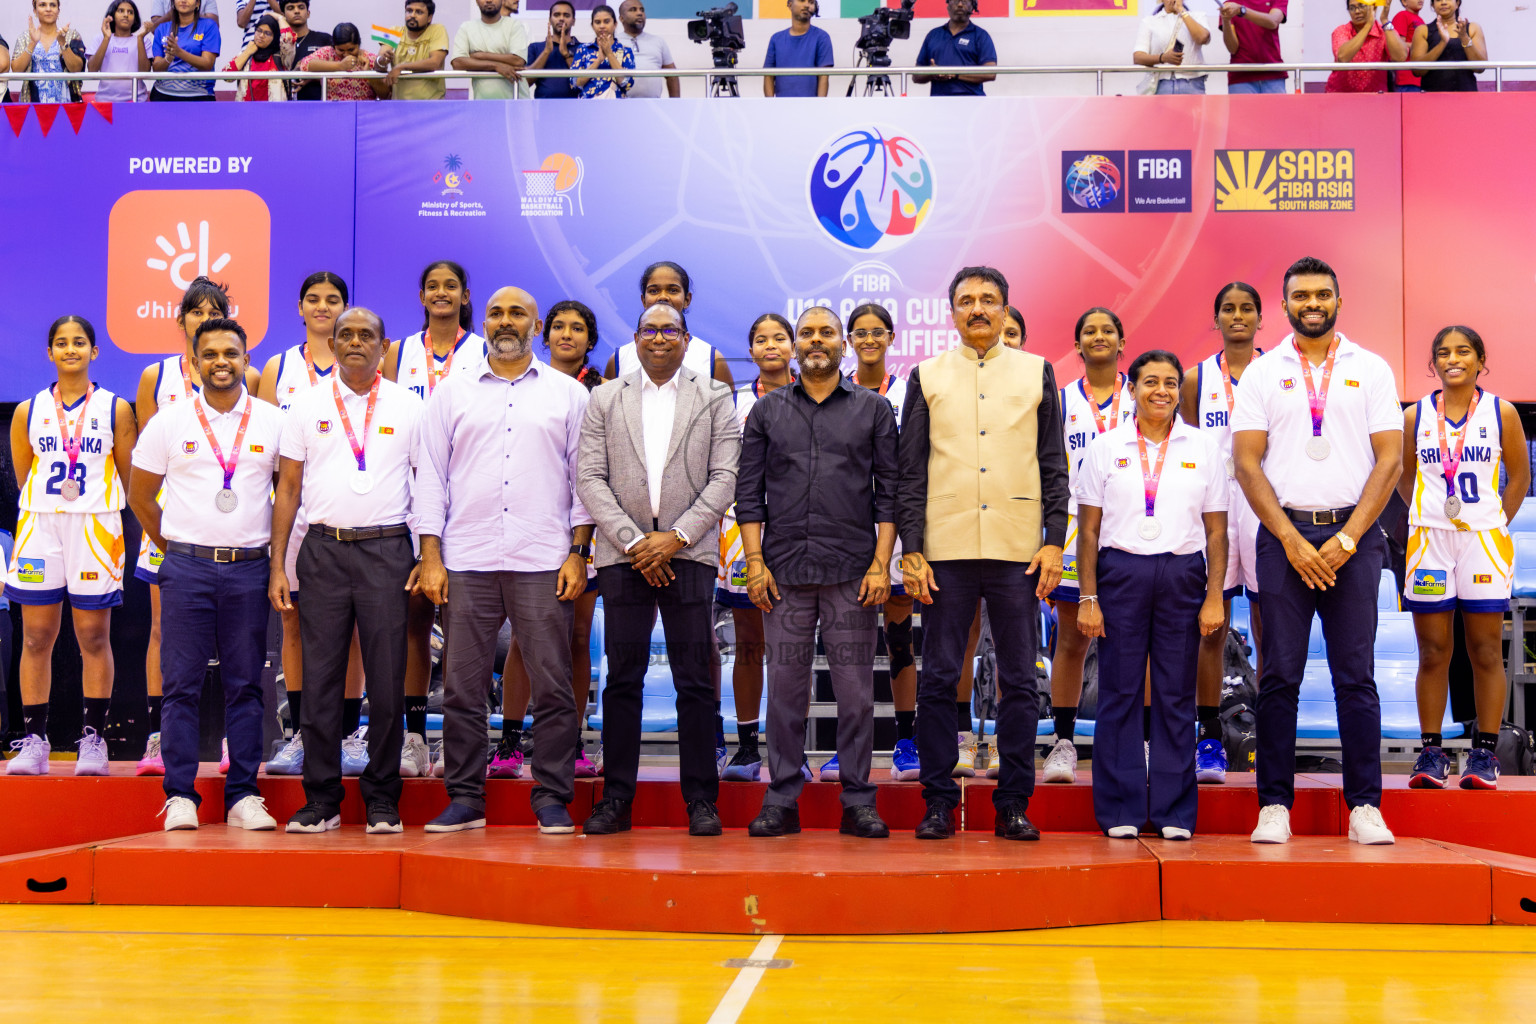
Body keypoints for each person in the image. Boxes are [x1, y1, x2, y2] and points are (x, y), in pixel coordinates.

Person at [1231, 255, 1403, 846]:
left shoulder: (1371, 368)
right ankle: (1274, 804)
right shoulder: (1262, 372)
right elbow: (1247, 464)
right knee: (1279, 677)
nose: (1312, 303)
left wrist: (1349, 537)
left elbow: (1390, 461)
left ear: (1338, 300)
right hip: (1284, 542)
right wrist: (1291, 540)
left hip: (1354, 541)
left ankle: (1365, 807)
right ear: (1284, 305)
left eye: (1322, 294)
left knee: (1356, 677)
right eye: (1301, 295)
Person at [413, 286, 594, 836]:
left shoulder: (568, 395)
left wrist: (578, 552)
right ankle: (466, 799)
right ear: (483, 322)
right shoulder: (449, 394)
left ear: (536, 325)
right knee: (463, 689)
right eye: (496, 313)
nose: (506, 321)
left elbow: (583, 480)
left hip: (543, 556)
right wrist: (431, 557)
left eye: (518, 312)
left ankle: (553, 798)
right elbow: (429, 478)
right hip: (466, 558)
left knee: (555, 685)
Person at [898, 266, 1069, 842]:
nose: (978, 309)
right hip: (944, 546)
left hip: (1019, 547)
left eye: (988, 301)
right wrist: (912, 550)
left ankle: (1013, 803)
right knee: (940, 677)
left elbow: (1053, 466)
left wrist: (1053, 541)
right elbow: (909, 471)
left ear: (1004, 310)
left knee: (1021, 679)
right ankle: (939, 801)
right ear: (951, 312)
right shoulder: (925, 375)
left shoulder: (1036, 371)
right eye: (966, 301)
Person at [576, 303, 739, 837]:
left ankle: (701, 801)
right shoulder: (605, 396)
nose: (660, 337)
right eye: (650, 328)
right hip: (624, 558)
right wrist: (634, 541)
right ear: (636, 337)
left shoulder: (714, 396)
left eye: (671, 329)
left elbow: (724, 477)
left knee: (695, 680)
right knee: (622, 679)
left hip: (688, 554)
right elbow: (591, 477)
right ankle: (617, 797)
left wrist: (675, 537)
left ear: (687, 338)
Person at [736, 307, 895, 839]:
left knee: (854, 694)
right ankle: (781, 798)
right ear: (796, 344)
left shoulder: (873, 410)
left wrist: (881, 564)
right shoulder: (767, 412)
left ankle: (858, 801)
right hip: (783, 572)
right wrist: (754, 564)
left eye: (827, 332)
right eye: (808, 333)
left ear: (843, 344)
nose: (816, 340)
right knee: (784, 692)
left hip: (853, 572)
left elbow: (889, 495)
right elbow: (748, 495)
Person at [128, 317, 285, 833]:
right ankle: (179, 795)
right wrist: (172, 549)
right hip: (187, 568)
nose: (222, 362)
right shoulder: (169, 422)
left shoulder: (270, 420)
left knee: (246, 685)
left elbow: (288, 493)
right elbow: (138, 495)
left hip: (248, 568)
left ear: (246, 361)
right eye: (211, 353)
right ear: (195, 362)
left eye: (232, 353)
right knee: (181, 687)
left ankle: (243, 794)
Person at [271, 308, 423, 834]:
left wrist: (429, 554)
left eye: (367, 335)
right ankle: (322, 799)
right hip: (322, 550)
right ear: (331, 344)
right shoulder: (304, 405)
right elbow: (287, 490)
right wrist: (278, 566)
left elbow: (426, 484)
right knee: (320, 682)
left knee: (385, 681)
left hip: (387, 550)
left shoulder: (409, 406)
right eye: (346, 335)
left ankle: (382, 798)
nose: (356, 342)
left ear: (384, 347)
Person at [1076, 350, 1228, 840]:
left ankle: (1173, 812)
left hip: (1183, 573)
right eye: (1149, 382)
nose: (1160, 390)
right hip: (1120, 573)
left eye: (1169, 382)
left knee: (1174, 692)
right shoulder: (1105, 446)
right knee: (1119, 691)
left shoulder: (1203, 447)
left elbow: (1218, 533)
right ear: (1132, 389)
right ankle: (1119, 808)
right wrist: (1089, 595)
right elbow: (1088, 531)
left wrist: (1214, 596)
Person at [130, 277, 260, 777]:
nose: (205, 318)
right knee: (165, 634)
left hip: (235, 539)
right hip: (173, 529)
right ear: (181, 319)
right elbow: (143, 471)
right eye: (196, 311)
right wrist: (174, 543)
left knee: (239, 658)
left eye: (215, 310)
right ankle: (159, 740)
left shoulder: (244, 382)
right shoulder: (156, 377)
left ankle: (233, 744)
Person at [3, 317, 137, 777]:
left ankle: (93, 740)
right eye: (61, 343)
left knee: (93, 637)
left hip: (96, 526)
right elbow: (25, 476)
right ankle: (34, 741)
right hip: (41, 524)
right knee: (36, 635)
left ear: (94, 352)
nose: (70, 350)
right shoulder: (28, 410)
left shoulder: (115, 408)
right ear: (50, 353)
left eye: (79, 342)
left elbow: (129, 475)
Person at [1399, 327, 1528, 790]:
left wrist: (1494, 523)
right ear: (1433, 363)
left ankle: (1485, 753)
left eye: (1463, 351)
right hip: (1430, 541)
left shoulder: (1502, 412)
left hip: (1482, 541)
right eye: (1443, 353)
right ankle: (1431, 753)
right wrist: (1427, 514)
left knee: (1486, 650)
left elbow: (1518, 478)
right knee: (1433, 651)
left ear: (1480, 360)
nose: (1452, 359)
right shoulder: (1415, 415)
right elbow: (1405, 476)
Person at [258, 271, 368, 779]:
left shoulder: (361, 361)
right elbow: (261, 449)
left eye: (333, 300)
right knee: (293, 624)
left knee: (351, 634)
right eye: (314, 300)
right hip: (296, 506)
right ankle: (299, 733)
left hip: (351, 506)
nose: (323, 307)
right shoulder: (277, 367)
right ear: (299, 308)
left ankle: (348, 734)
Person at [493, 301, 606, 781]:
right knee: (523, 637)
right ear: (543, 333)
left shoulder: (600, 393)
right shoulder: (520, 387)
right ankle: (510, 743)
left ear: (590, 340)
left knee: (578, 637)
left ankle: (571, 741)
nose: (566, 334)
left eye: (577, 328)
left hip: (588, 530)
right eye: (558, 325)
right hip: (534, 530)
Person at [383, 259, 485, 778]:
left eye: (451, 286)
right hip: (405, 500)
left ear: (466, 295)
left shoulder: (483, 351)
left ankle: (461, 742)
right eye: (432, 286)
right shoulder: (397, 352)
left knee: (465, 631)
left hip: (466, 500)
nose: (441, 293)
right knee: (414, 626)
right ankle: (416, 738)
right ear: (421, 295)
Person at [1042, 308, 1134, 786]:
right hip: (1079, 533)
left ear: (1123, 340)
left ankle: (1135, 741)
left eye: (1107, 330)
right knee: (1072, 639)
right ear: (1077, 345)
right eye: (1089, 331)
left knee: (1135, 639)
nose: (1098, 337)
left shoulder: (1143, 395)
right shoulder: (1060, 401)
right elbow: (1051, 473)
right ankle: (1062, 743)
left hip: (1136, 530)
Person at [1180, 281, 1266, 785]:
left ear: (1260, 317)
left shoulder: (1277, 373)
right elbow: (1188, 441)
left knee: (1266, 621)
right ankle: (1209, 736)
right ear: (1216, 319)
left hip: (1261, 502)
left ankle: (1271, 729)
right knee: (1211, 624)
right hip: (1212, 505)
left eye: (1247, 308)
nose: (1238, 316)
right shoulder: (1195, 380)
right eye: (1228, 309)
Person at [841, 303, 922, 783]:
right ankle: (851, 749)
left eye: (877, 332)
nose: (868, 339)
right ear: (849, 339)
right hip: (848, 527)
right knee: (850, 644)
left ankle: (906, 741)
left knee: (898, 638)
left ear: (891, 337)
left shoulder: (911, 391)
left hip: (894, 527)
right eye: (860, 333)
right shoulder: (836, 390)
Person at [718, 315, 796, 783]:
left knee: (791, 647)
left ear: (793, 348)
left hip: (797, 532)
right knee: (748, 641)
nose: (771, 345)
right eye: (760, 339)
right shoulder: (732, 404)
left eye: (779, 338)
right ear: (750, 352)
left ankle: (791, 750)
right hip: (740, 531)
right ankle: (747, 749)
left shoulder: (813, 396)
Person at [603, 262, 734, 387]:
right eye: (654, 291)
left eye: (673, 290)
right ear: (643, 300)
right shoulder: (619, 359)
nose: (663, 297)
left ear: (687, 299)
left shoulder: (711, 358)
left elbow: (724, 408)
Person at [913, 0, 996, 98]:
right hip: (938, 104)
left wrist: (954, 74)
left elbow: (990, 73)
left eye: (965, 1)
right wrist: (931, 73)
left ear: (972, 6)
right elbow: (916, 76)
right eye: (956, 1)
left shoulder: (981, 36)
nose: (960, 4)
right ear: (948, 6)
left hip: (973, 103)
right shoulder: (933, 35)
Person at [451, 0, 529, 100]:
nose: (489, 0)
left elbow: (518, 61)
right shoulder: (466, 28)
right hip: (484, 104)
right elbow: (458, 63)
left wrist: (481, 56)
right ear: (476, 1)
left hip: (516, 101)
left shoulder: (515, 25)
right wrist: (496, 66)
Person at [13, 0, 87, 103]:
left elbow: (76, 68)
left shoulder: (70, 35)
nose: (48, 9)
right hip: (32, 106)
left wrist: (62, 43)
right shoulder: (25, 37)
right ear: (35, 11)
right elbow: (16, 70)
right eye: (43, 5)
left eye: (52, 5)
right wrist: (32, 43)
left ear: (58, 11)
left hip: (66, 106)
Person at [1134, 0, 1212, 95]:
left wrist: (1181, 10)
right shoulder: (1149, 21)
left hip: (1192, 83)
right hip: (1161, 84)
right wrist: (1163, 58)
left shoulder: (1198, 16)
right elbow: (1138, 57)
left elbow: (1202, 38)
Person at [1327, 2, 1407, 93]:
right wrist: (1368, 26)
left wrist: (1385, 21)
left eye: (1361, 6)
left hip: (1375, 98)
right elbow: (1342, 57)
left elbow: (1400, 57)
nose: (1357, 11)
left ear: (1373, 8)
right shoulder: (1341, 31)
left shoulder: (1383, 31)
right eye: (1352, 8)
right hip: (1341, 96)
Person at [378, 0, 449, 100]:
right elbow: (379, 61)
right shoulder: (393, 30)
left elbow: (435, 63)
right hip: (400, 107)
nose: (412, 15)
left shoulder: (438, 29)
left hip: (432, 106)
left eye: (419, 12)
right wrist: (382, 60)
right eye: (409, 11)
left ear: (429, 18)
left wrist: (401, 67)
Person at [1409, 0, 1486, 92]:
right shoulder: (1422, 30)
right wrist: (1442, 43)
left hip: (1466, 96)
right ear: (1433, 5)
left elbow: (1480, 67)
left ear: (1457, 3)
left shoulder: (1472, 28)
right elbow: (1417, 71)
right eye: (1438, 0)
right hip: (1432, 98)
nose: (1443, 2)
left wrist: (1465, 38)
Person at [148, 0, 219, 101]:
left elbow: (207, 64)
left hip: (198, 96)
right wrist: (168, 59)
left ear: (198, 3)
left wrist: (179, 52)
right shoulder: (162, 28)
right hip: (162, 95)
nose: (184, 1)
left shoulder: (209, 26)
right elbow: (156, 69)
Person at [298, 22, 389, 99]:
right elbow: (305, 64)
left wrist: (369, 74)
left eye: (351, 50)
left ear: (358, 44)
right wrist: (340, 66)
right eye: (341, 50)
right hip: (334, 113)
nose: (346, 54)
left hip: (363, 114)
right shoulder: (328, 53)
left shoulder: (370, 59)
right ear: (334, 46)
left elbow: (385, 95)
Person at [763, 0, 833, 98]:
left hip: (810, 107)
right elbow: (768, 76)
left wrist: (819, 107)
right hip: (780, 108)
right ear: (789, 4)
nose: (807, 5)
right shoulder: (776, 39)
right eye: (802, 0)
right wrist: (770, 106)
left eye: (811, 2)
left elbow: (824, 76)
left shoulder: (822, 37)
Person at [1220, 0, 1288, 94]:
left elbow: (1273, 21)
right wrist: (1226, 20)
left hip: (1273, 74)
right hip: (1241, 77)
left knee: (1277, 109)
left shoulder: (1236, 7)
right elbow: (1232, 48)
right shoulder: (1230, 5)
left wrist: (1242, 10)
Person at [89, 1, 151, 103]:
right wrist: (106, 38)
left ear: (135, 20)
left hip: (137, 101)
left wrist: (140, 38)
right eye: (121, 11)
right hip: (105, 102)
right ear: (112, 15)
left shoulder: (143, 40)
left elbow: (145, 72)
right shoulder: (100, 38)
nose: (126, 15)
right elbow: (92, 70)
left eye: (130, 12)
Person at [617, 0, 678, 98]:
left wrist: (676, 105)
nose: (639, 13)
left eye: (642, 10)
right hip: (620, 106)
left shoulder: (658, 41)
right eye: (633, 10)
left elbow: (672, 76)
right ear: (621, 18)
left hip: (653, 106)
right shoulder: (613, 42)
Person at [571, 5, 632, 99]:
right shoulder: (583, 49)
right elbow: (575, 84)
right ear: (592, 25)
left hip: (616, 107)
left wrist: (609, 53)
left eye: (607, 21)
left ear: (615, 24)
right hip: (587, 107)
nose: (602, 26)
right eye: (597, 22)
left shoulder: (625, 51)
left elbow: (627, 84)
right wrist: (598, 60)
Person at [225, 13, 285, 101]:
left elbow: (289, 38)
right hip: (246, 111)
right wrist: (247, 52)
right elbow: (226, 77)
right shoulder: (246, 54)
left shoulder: (281, 56)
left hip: (273, 112)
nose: (261, 35)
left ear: (275, 36)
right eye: (259, 30)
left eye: (267, 33)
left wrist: (280, 18)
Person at [524, 0, 578, 99]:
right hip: (543, 108)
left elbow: (584, 81)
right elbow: (526, 82)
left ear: (573, 21)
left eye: (566, 15)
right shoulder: (535, 47)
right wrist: (546, 52)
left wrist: (566, 54)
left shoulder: (584, 48)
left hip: (577, 107)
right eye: (557, 15)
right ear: (550, 20)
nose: (561, 18)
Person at [279, 0, 331, 100]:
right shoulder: (278, 42)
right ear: (283, 14)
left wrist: (314, 78)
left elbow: (340, 70)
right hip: (283, 107)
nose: (296, 11)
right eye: (291, 8)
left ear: (308, 13)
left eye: (301, 7)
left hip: (319, 107)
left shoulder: (324, 39)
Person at [1391, 0, 1427, 91]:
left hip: (1420, 78)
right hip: (1406, 79)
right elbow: (1398, 45)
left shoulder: (1421, 20)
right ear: (1404, 2)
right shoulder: (1402, 15)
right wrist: (1421, 46)